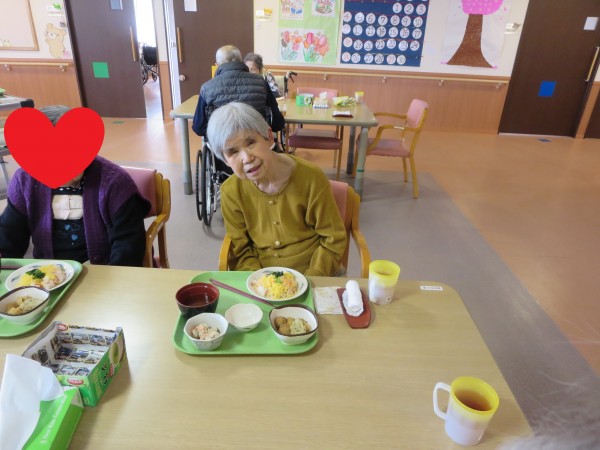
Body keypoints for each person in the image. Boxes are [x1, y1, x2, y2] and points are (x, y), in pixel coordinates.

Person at [206, 102, 346, 277]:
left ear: (269, 137)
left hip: (314, 274)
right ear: (225, 160)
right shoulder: (231, 191)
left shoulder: (311, 178)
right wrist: (260, 282)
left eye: (251, 142)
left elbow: (333, 238)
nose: (246, 158)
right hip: (261, 280)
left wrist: (311, 278)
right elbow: (240, 250)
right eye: (233, 152)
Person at [0, 105, 151, 266]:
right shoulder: (24, 181)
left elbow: (128, 247)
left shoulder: (115, 183)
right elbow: (9, 235)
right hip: (49, 271)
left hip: (105, 268)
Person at [191, 45, 285, 138]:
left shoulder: (207, 88)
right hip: (255, 141)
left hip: (222, 144)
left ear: (217, 65)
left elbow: (198, 128)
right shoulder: (261, 83)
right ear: (240, 61)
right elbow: (277, 123)